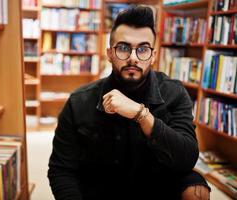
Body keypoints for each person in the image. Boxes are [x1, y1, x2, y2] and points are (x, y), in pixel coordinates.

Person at [48, 5, 210, 200]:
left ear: (153, 56)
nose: (133, 58)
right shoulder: (79, 101)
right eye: (123, 48)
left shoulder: (174, 93)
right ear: (109, 54)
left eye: (142, 49)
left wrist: (142, 115)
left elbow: (186, 158)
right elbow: (61, 170)